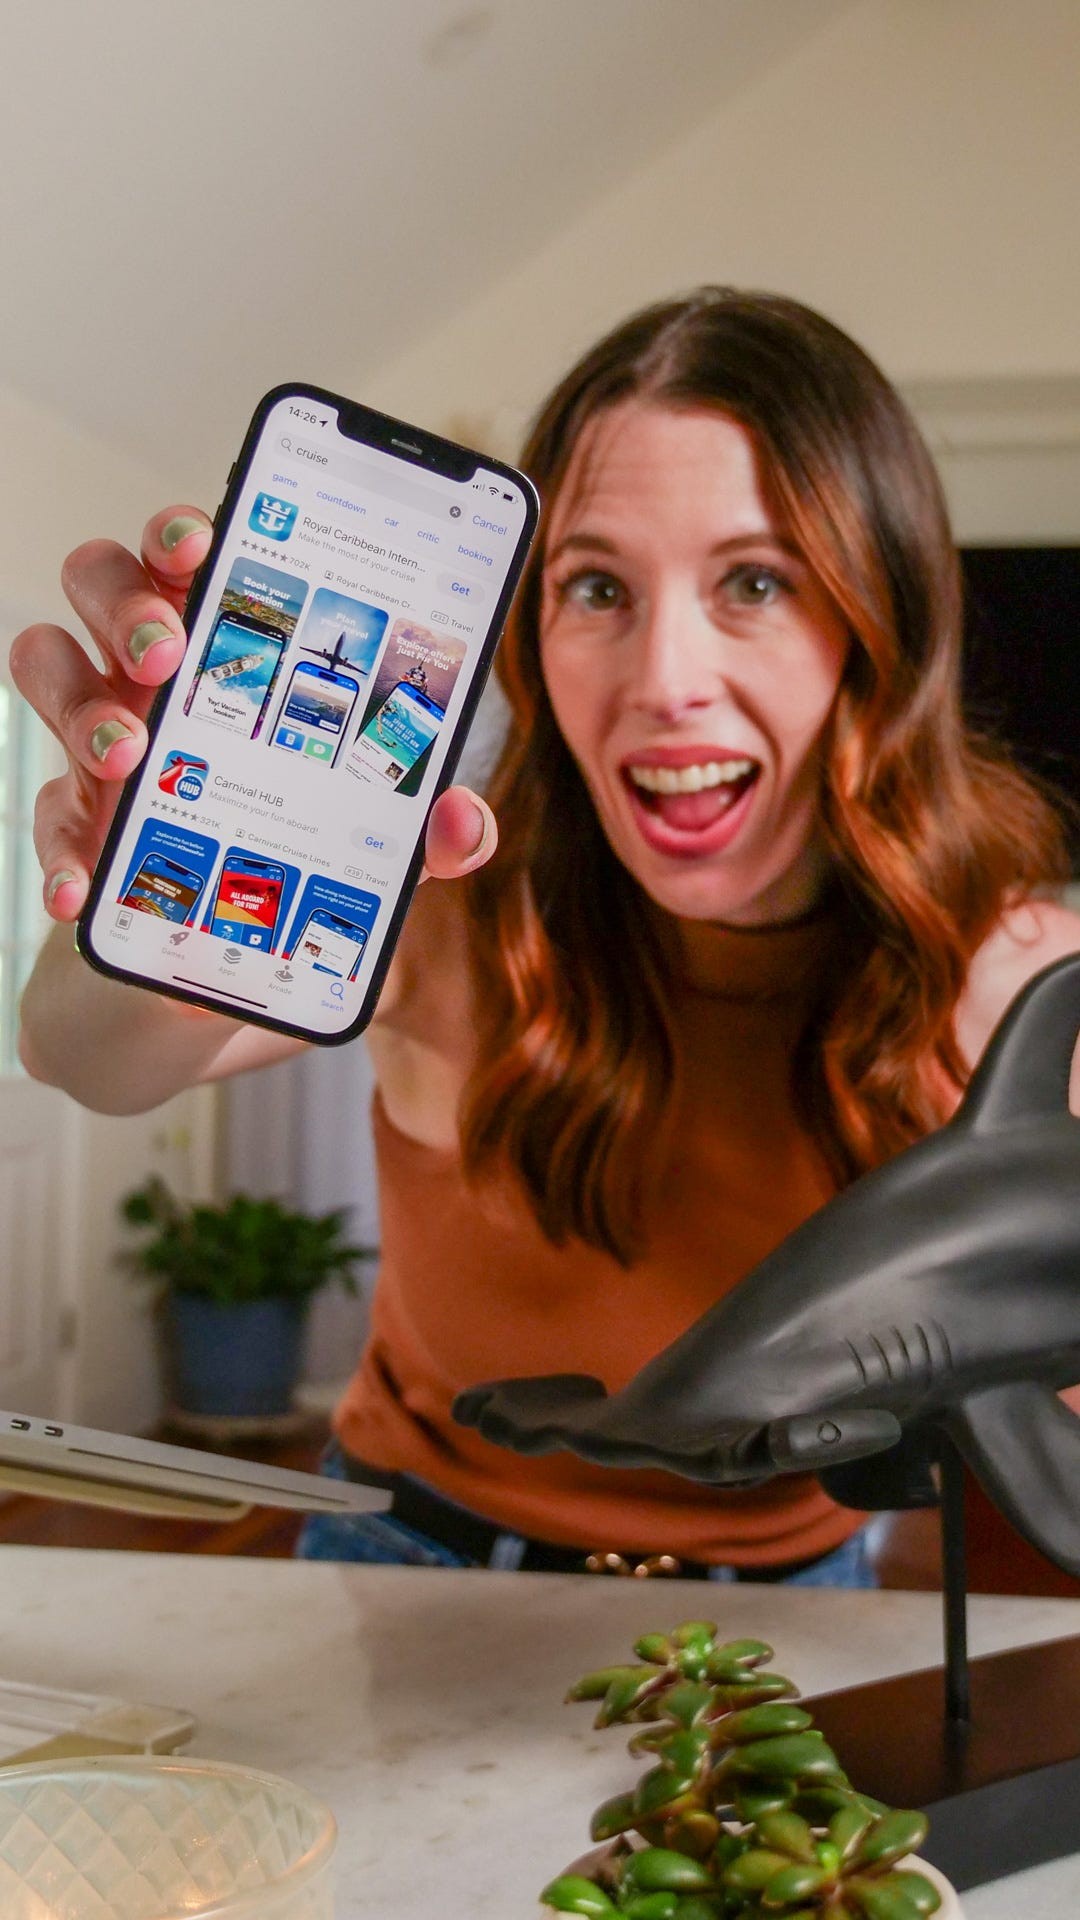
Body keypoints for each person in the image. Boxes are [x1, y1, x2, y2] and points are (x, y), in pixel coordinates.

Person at [14, 288, 1080, 1584]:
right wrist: (142, 881)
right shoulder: (448, 902)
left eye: (756, 581)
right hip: (410, 1570)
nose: (662, 678)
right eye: (594, 586)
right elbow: (89, 1057)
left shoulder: (1016, 978)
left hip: (802, 1610)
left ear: (879, 620)